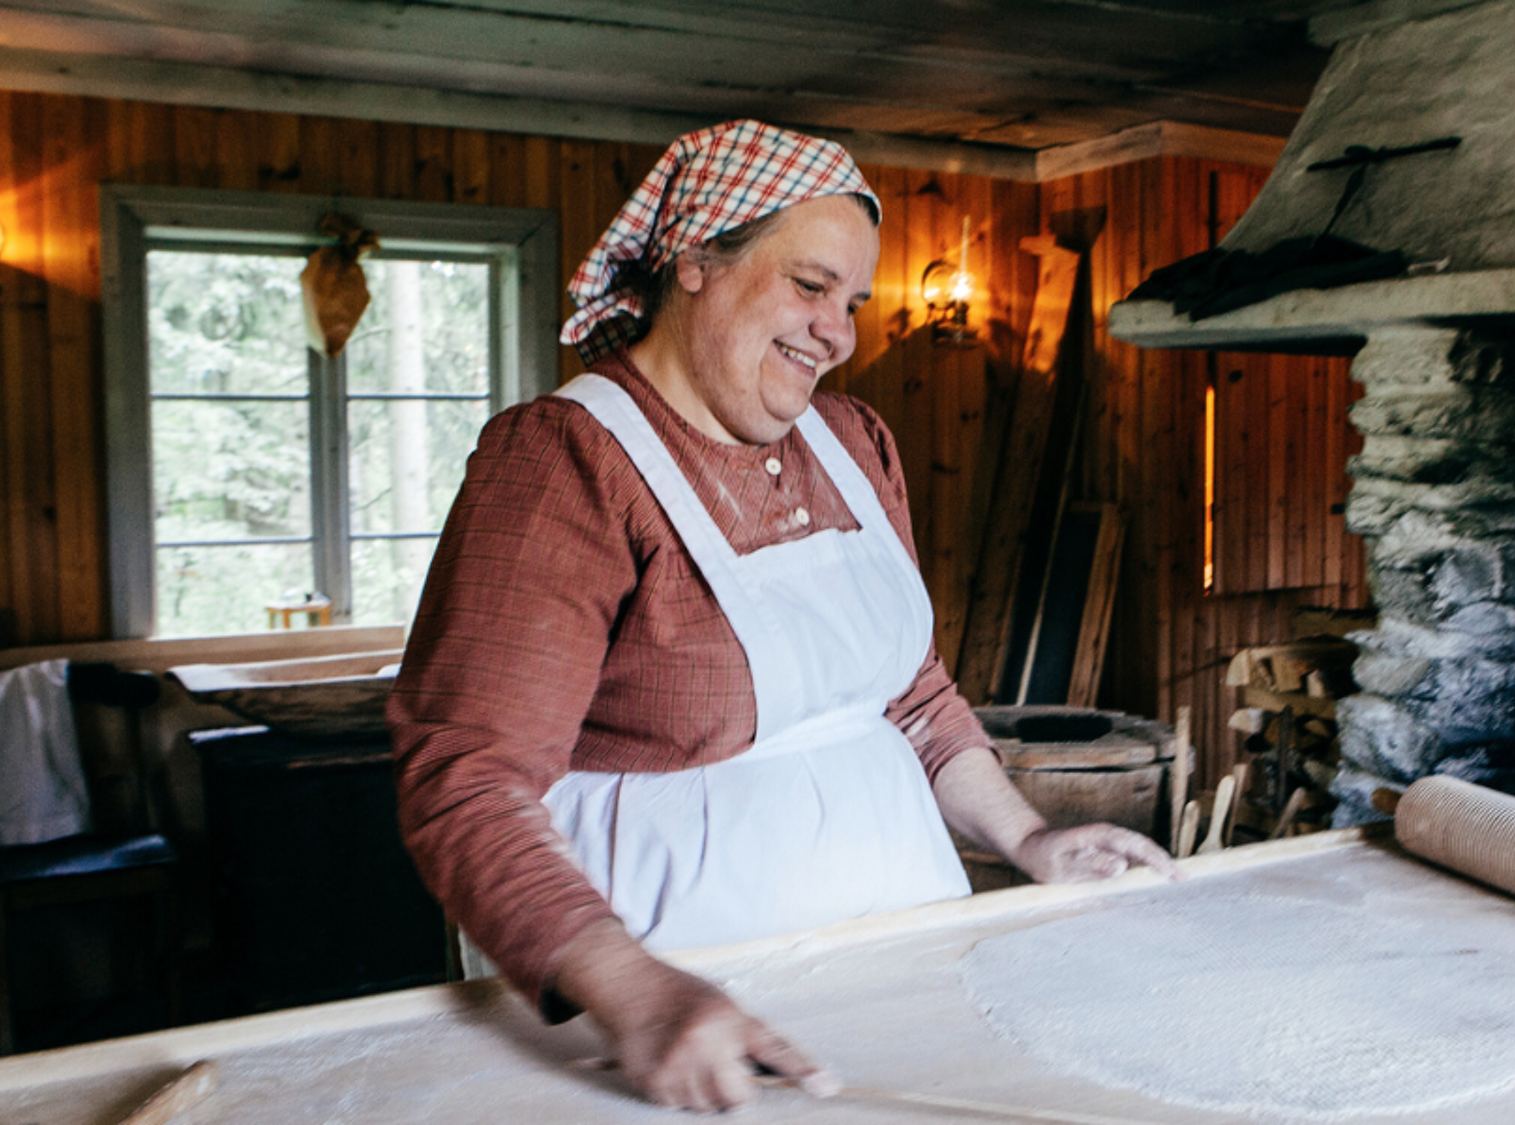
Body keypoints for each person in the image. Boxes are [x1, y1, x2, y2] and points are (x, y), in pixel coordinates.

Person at [388, 120, 1178, 1114]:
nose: (839, 330)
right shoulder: (563, 461)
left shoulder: (854, 441)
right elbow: (467, 781)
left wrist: (1029, 840)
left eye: (851, 301)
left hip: (907, 944)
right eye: (810, 287)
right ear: (695, 262)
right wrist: (633, 994)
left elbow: (914, 695)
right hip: (684, 995)